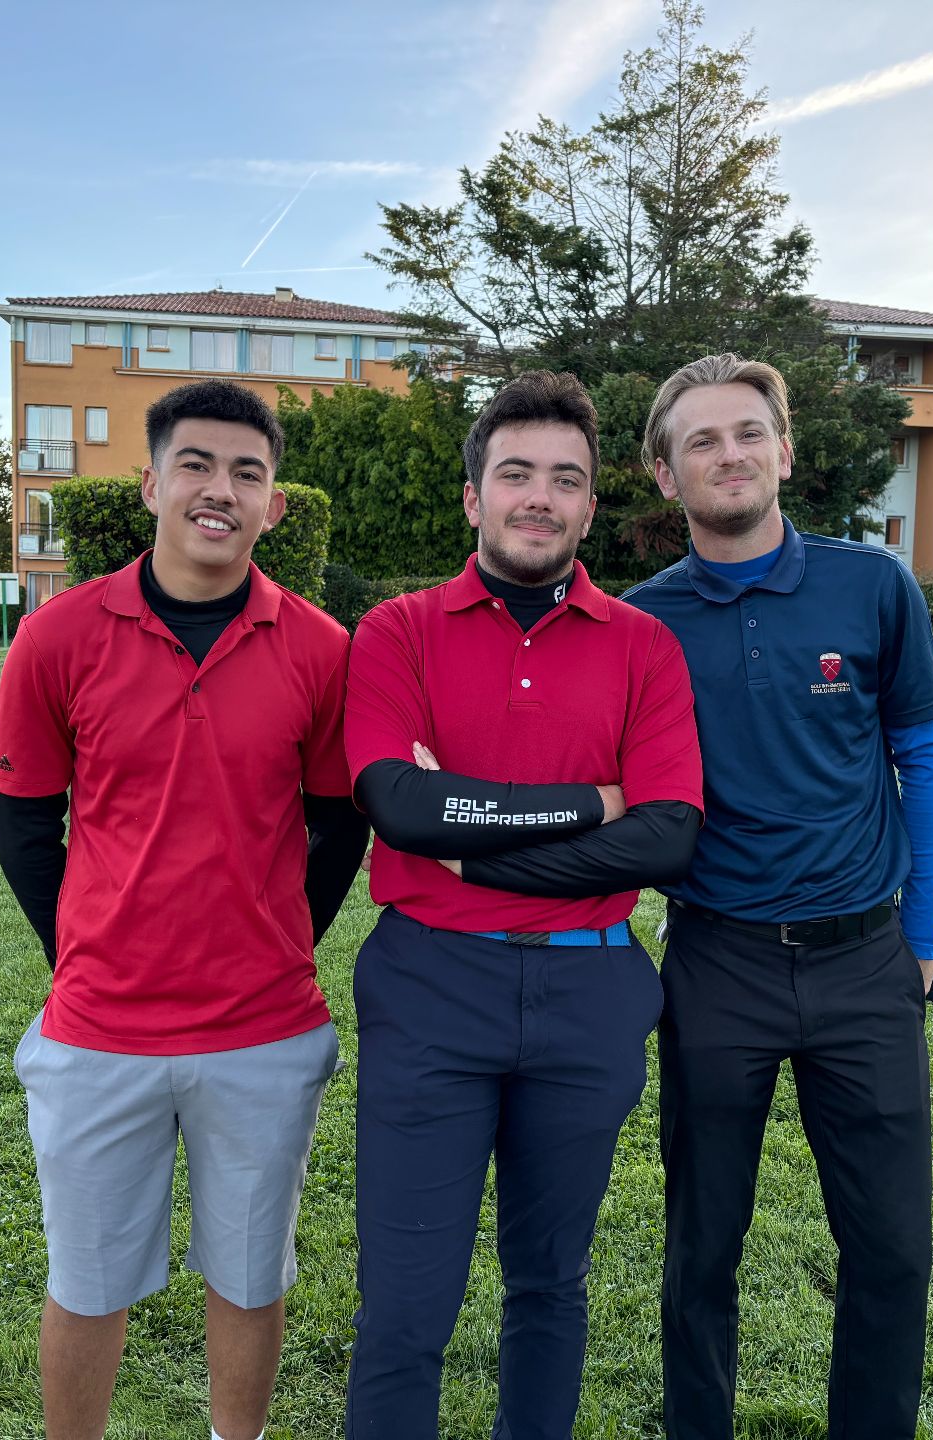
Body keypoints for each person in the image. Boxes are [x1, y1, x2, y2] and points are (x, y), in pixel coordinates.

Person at [0, 379, 369, 1440]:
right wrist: (85, 949)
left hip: (264, 1032)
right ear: (151, 485)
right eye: (195, 465)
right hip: (98, 1032)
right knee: (87, 1282)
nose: (220, 490)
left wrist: (275, 940)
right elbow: (24, 826)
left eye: (248, 473)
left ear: (273, 507)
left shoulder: (321, 649)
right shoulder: (58, 638)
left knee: (250, 1277)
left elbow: (339, 827)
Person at [339, 369, 705, 1440]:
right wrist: (592, 805)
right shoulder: (397, 631)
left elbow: (666, 835)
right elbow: (401, 805)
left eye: (565, 480)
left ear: (590, 508)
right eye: (515, 475)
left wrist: (476, 852)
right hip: (430, 987)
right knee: (405, 1307)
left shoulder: (643, 644)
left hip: (590, 993)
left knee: (550, 1283)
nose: (539, 497)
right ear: (474, 496)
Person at [622, 354, 933, 1440]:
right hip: (717, 963)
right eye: (701, 441)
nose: (728, 454)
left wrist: (922, 936)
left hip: (866, 964)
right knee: (701, 1246)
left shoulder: (872, 587)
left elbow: (928, 752)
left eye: (747, 433)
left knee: (892, 1249)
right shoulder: (639, 624)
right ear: (667, 475)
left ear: (783, 450)